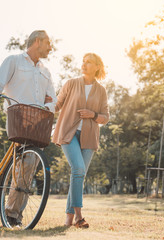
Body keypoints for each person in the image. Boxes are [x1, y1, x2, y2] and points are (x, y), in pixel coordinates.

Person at [0, 30, 56, 226]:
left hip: (38, 123)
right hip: (18, 119)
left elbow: (53, 98)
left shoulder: (46, 71)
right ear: (37, 41)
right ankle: (12, 214)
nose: (50, 47)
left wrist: (48, 105)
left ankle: (12, 212)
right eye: (48, 43)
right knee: (26, 164)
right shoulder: (14, 61)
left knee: (29, 165)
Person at [52, 53, 109, 228]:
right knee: (77, 169)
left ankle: (68, 220)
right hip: (69, 133)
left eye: (89, 62)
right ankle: (79, 216)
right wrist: (44, 104)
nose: (84, 65)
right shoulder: (71, 83)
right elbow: (57, 104)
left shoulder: (101, 90)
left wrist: (93, 115)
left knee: (79, 175)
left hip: (89, 137)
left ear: (97, 67)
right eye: (83, 62)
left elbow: (105, 117)